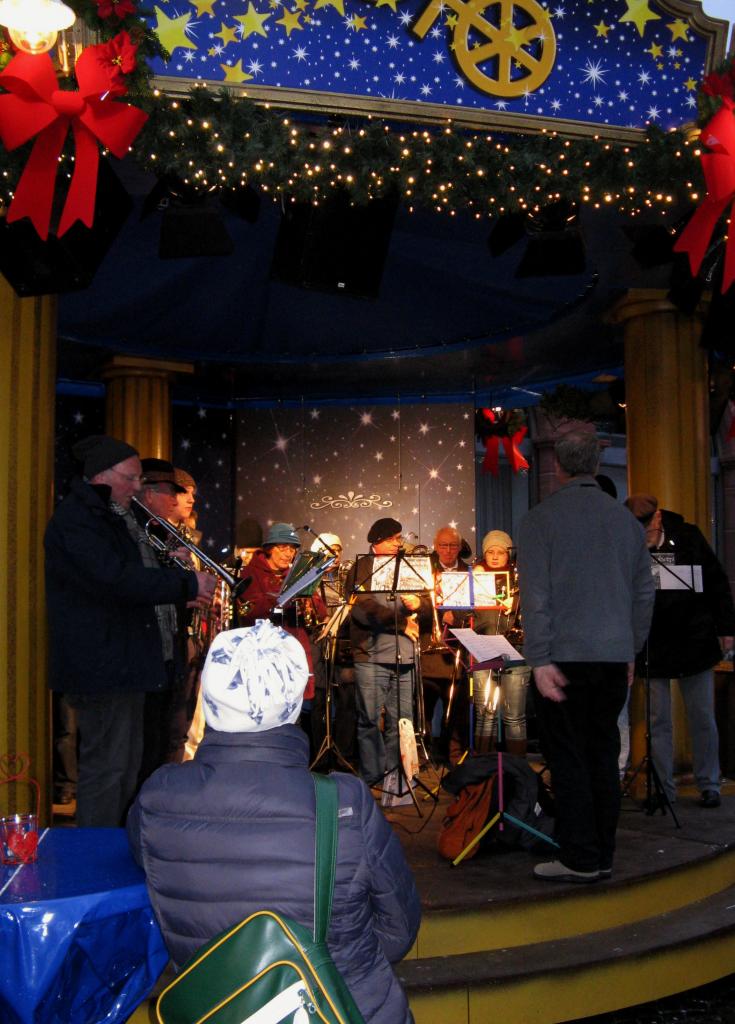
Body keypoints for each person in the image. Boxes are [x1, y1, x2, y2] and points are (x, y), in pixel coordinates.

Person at [126, 619, 421, 1024]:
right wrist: (345, 962)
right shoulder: (343, 802)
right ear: (296, 697)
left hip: (218, 1010)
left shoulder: (157, 797)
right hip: (346, 1006)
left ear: (208, 695)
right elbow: (399, 928)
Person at [44, 435, 216, 828]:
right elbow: (115, 579)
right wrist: (186, 585)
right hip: (103, 667)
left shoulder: (111, 518)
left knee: (123, 770)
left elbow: (129, 583)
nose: (138, 487)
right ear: (104, 475)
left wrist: (174, 588)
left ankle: (113, 854)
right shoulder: (81, 519)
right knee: (107, 773)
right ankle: (95, 865)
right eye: (132, 478)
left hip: (123, 665)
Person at [517, 432, 655, 883]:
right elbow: (643, 594)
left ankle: (580, 857)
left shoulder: (541, 520)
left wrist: (538, 660)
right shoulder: (627, 524)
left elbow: (535, 599)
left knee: (569, 757)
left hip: (563, 658)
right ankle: (603, 855)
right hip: (614, 657)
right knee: (602, 753)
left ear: (557, 466)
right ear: (597, 464)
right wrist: (632, 649)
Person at [625, 494, 735, 809]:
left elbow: (716, 581)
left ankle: (709, 783)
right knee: (658, 719)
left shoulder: (688, 537)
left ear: (657, 518)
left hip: (693, 638)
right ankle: (663, 787)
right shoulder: (632, 545)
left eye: (645, 529)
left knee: (701, 715)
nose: (642, 536)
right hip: (653, 643)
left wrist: (726, 628)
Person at [346, 518, 431, 786]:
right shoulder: (361, 567)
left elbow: (429, 604)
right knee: (369, 719)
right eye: (393, 539)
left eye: (399, 538)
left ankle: (397, 777)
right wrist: (401, 622)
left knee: (402, 721)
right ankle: (372, 777)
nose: (398, 543)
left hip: (403, 655)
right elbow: (362, 607)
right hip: (371, 654)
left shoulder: (407, 566)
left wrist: (420, 602)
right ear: (377, 542)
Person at [473, 530, 531, 757]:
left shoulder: (521, 579)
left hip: (516, 652)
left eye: (501, 552)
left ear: (509, 555)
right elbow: (461, 617)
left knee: (514, 715)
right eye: (490, 552)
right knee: (485, 713)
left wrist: (516, 599)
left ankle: (516, 771)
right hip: (484, 650)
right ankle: (483, 771)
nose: (495, 557)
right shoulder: (475, 579)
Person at [421, 525, 471, 764]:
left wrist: (457, 617)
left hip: (456, 653)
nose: (448, 550)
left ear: (460, 547)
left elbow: (476, 611)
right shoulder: (423, 571)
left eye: (453, 545)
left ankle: (453, 758)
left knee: (457, 711)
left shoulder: (469, 573)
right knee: (424, 709)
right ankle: (424, 755)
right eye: (443, 545)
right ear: (435, 546)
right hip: (428, 651)